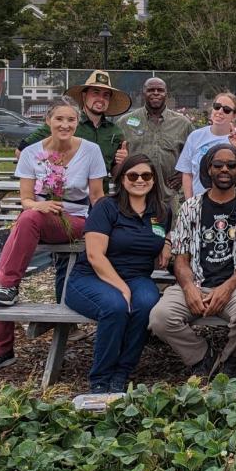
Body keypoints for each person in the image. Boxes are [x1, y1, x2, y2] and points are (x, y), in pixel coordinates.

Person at [0, 97, 107, 374]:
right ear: (47, 121)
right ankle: (1, 348)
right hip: (38, 216)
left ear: (77, 123)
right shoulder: (31, 153)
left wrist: (103, 229)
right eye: (59, 119)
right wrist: (40, 205)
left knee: (27, 223)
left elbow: (97, 196)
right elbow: (25, 198)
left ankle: (10, 287)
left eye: (71, 119)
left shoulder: (91, 150)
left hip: (76, 221)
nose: (65, 124)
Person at [150, 144, 236, 379]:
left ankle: (230, 360)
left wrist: (227, 288)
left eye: (231, 165)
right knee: (159, 318)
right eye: (218, 165)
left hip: (235, 285)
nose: (225, 169)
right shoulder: (191, 207)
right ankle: (202, 356)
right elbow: (181, 257)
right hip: (196, 281)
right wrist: (189, 288)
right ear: (208, 169)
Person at [64, 154, 168, 394]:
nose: (139, 180)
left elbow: (165, 234)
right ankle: (101, 378)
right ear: (121, 179)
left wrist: (168, 243)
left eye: (146, 175)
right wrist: (121, 287)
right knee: (117, 305)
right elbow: (94, 255)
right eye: (133, 175)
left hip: (138, 277)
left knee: (146, 302)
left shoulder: (160, 212)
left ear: (154, 180)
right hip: (92, 277)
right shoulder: (107, 207)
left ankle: (122, 372)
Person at [21, 70, 130, 170]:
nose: (101, 99)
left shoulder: (115, 132)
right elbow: (21, 151)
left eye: (106, 95)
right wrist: (48, 175)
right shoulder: (65, 125)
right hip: (66, 190)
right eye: (95, 93)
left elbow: (115, 171)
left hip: (99, 190)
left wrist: (122, 163)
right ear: (84, 96)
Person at [115, 77, 193, 205]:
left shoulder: (183, 124)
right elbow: (114, 160)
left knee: (169, 225)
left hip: (168, 197)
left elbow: (194, 155)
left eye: (160, 90)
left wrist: (182, 174)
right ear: (143, 93)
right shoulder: (124, 123)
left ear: (166, 94)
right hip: (133, 196)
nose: (156, 93)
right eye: (151, 90)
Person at [176, 92, 236, 199]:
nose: (220, 112)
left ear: (234, 115)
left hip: (231, 204)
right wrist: (189, 204)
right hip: (200, 204)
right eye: (217, 107)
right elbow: (187, 173)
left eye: (226, 110)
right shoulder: (195, 136)